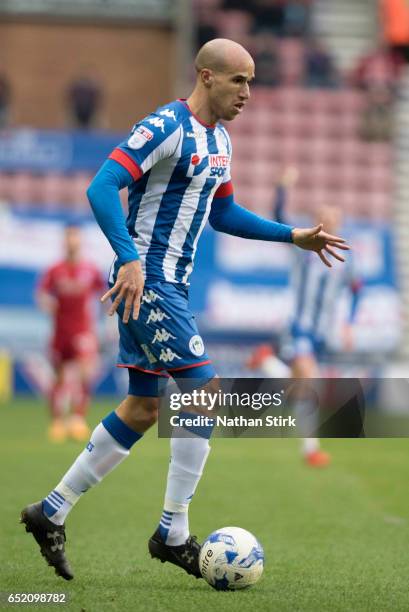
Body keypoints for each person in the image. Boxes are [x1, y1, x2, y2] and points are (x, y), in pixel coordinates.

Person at [21, 38, 349, 582]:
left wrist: (292, 235)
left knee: (144, 409)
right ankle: (172, 531)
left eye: (251, 81)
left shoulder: (219, 140)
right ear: (206, 76)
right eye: (238, 80)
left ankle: (50, 511)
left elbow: (224, 214)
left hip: (169, 286)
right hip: (146, 283)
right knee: (204, 392)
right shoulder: (165, 126)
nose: (248, 92)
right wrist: (128, 258)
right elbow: (103, 186)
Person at [248, 167, 360, 466]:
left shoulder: (347, 257)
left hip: (322, 330)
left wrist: (349, 322)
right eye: (325, 217)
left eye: (335, 217)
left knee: (300, 387)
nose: (331, 222)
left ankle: (266, 362)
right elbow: (278, 215)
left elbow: (356, 290)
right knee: (310, 385)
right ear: (318, 222)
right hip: (300, 327)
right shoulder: (304, 247)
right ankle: (311, 450)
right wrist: (282, 187)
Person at [37, 224, 105, 443]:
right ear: (64, 242)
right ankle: (57, 421)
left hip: (83, 330)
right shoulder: (55, 270)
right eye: (68, 238)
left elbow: (103, 293)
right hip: (60, 331)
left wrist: (108, 316)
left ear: (80, 241)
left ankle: (77, 418)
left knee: (85, 372)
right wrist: (46, 302)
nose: (71, 242)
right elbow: (42, 293)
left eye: (74, 237)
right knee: (58, 376)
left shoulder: (90, 269)